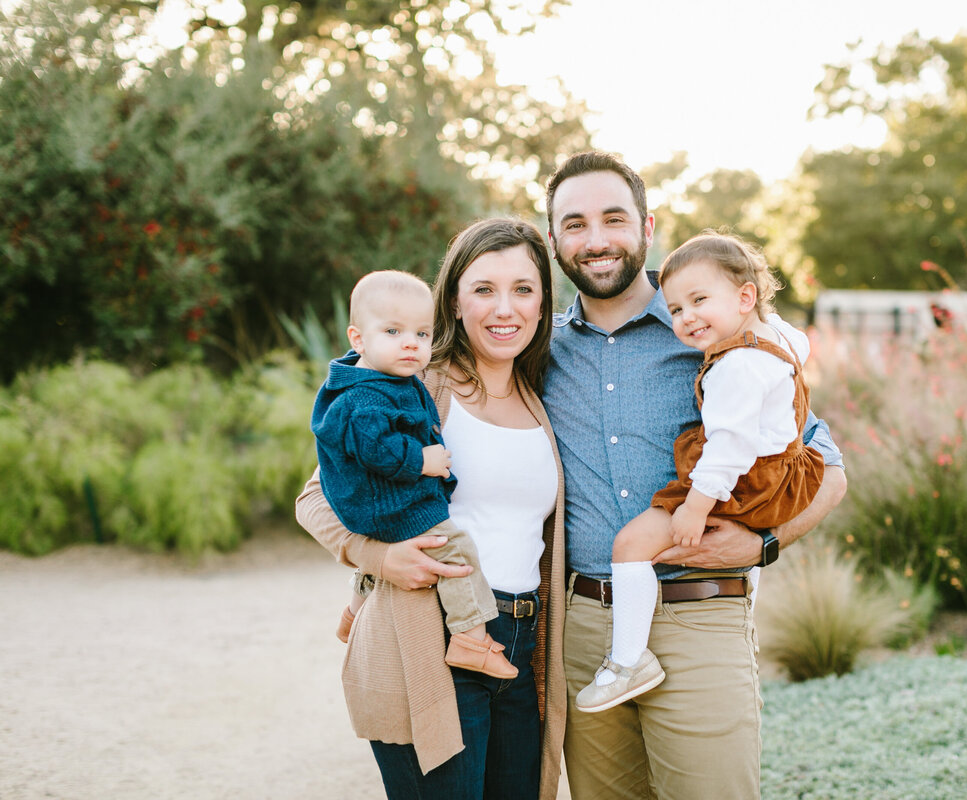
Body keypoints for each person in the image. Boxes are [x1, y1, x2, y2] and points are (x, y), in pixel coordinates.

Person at [541, 151, 847, 799]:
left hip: (699, 615)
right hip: (583, 628)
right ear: (553, 239)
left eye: (613, 219)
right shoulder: (539, 349)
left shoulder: (718, 333)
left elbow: (830, 469)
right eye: (574, 224)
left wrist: (764, 544)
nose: (595, 240)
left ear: (647, 227)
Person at [295, 218, 567, 799]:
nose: (505, 308)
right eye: (484, 289)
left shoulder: (545, 396)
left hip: (519, 644)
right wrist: (379, 556)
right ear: (454, 301)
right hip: (428, 637)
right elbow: (314, 497)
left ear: (544, 304)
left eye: (523, 289)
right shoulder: (415, 385)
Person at [574, 232, 827, 713]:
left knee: (631, 547)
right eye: (675, 310)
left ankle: (629, 661)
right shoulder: (777, 339)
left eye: (699, 301)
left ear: (745, 296)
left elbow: (729, 447)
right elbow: (800, 344)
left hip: (740, 480)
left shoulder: (737, 366)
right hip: (782, 475)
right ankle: (746, 592)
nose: (687, 317)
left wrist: (694, 507)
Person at [312, 269, 518, 679]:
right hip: (386, 500)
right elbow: (374, 448)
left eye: (422, 335)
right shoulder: (366, 396)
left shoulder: (390, 381)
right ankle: (470, 639)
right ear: (358, 339)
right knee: (455, 550)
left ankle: (353, 613)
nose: (411, 343)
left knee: (405, 545)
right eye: (393, 331)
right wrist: (422, 460)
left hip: (378, 505)